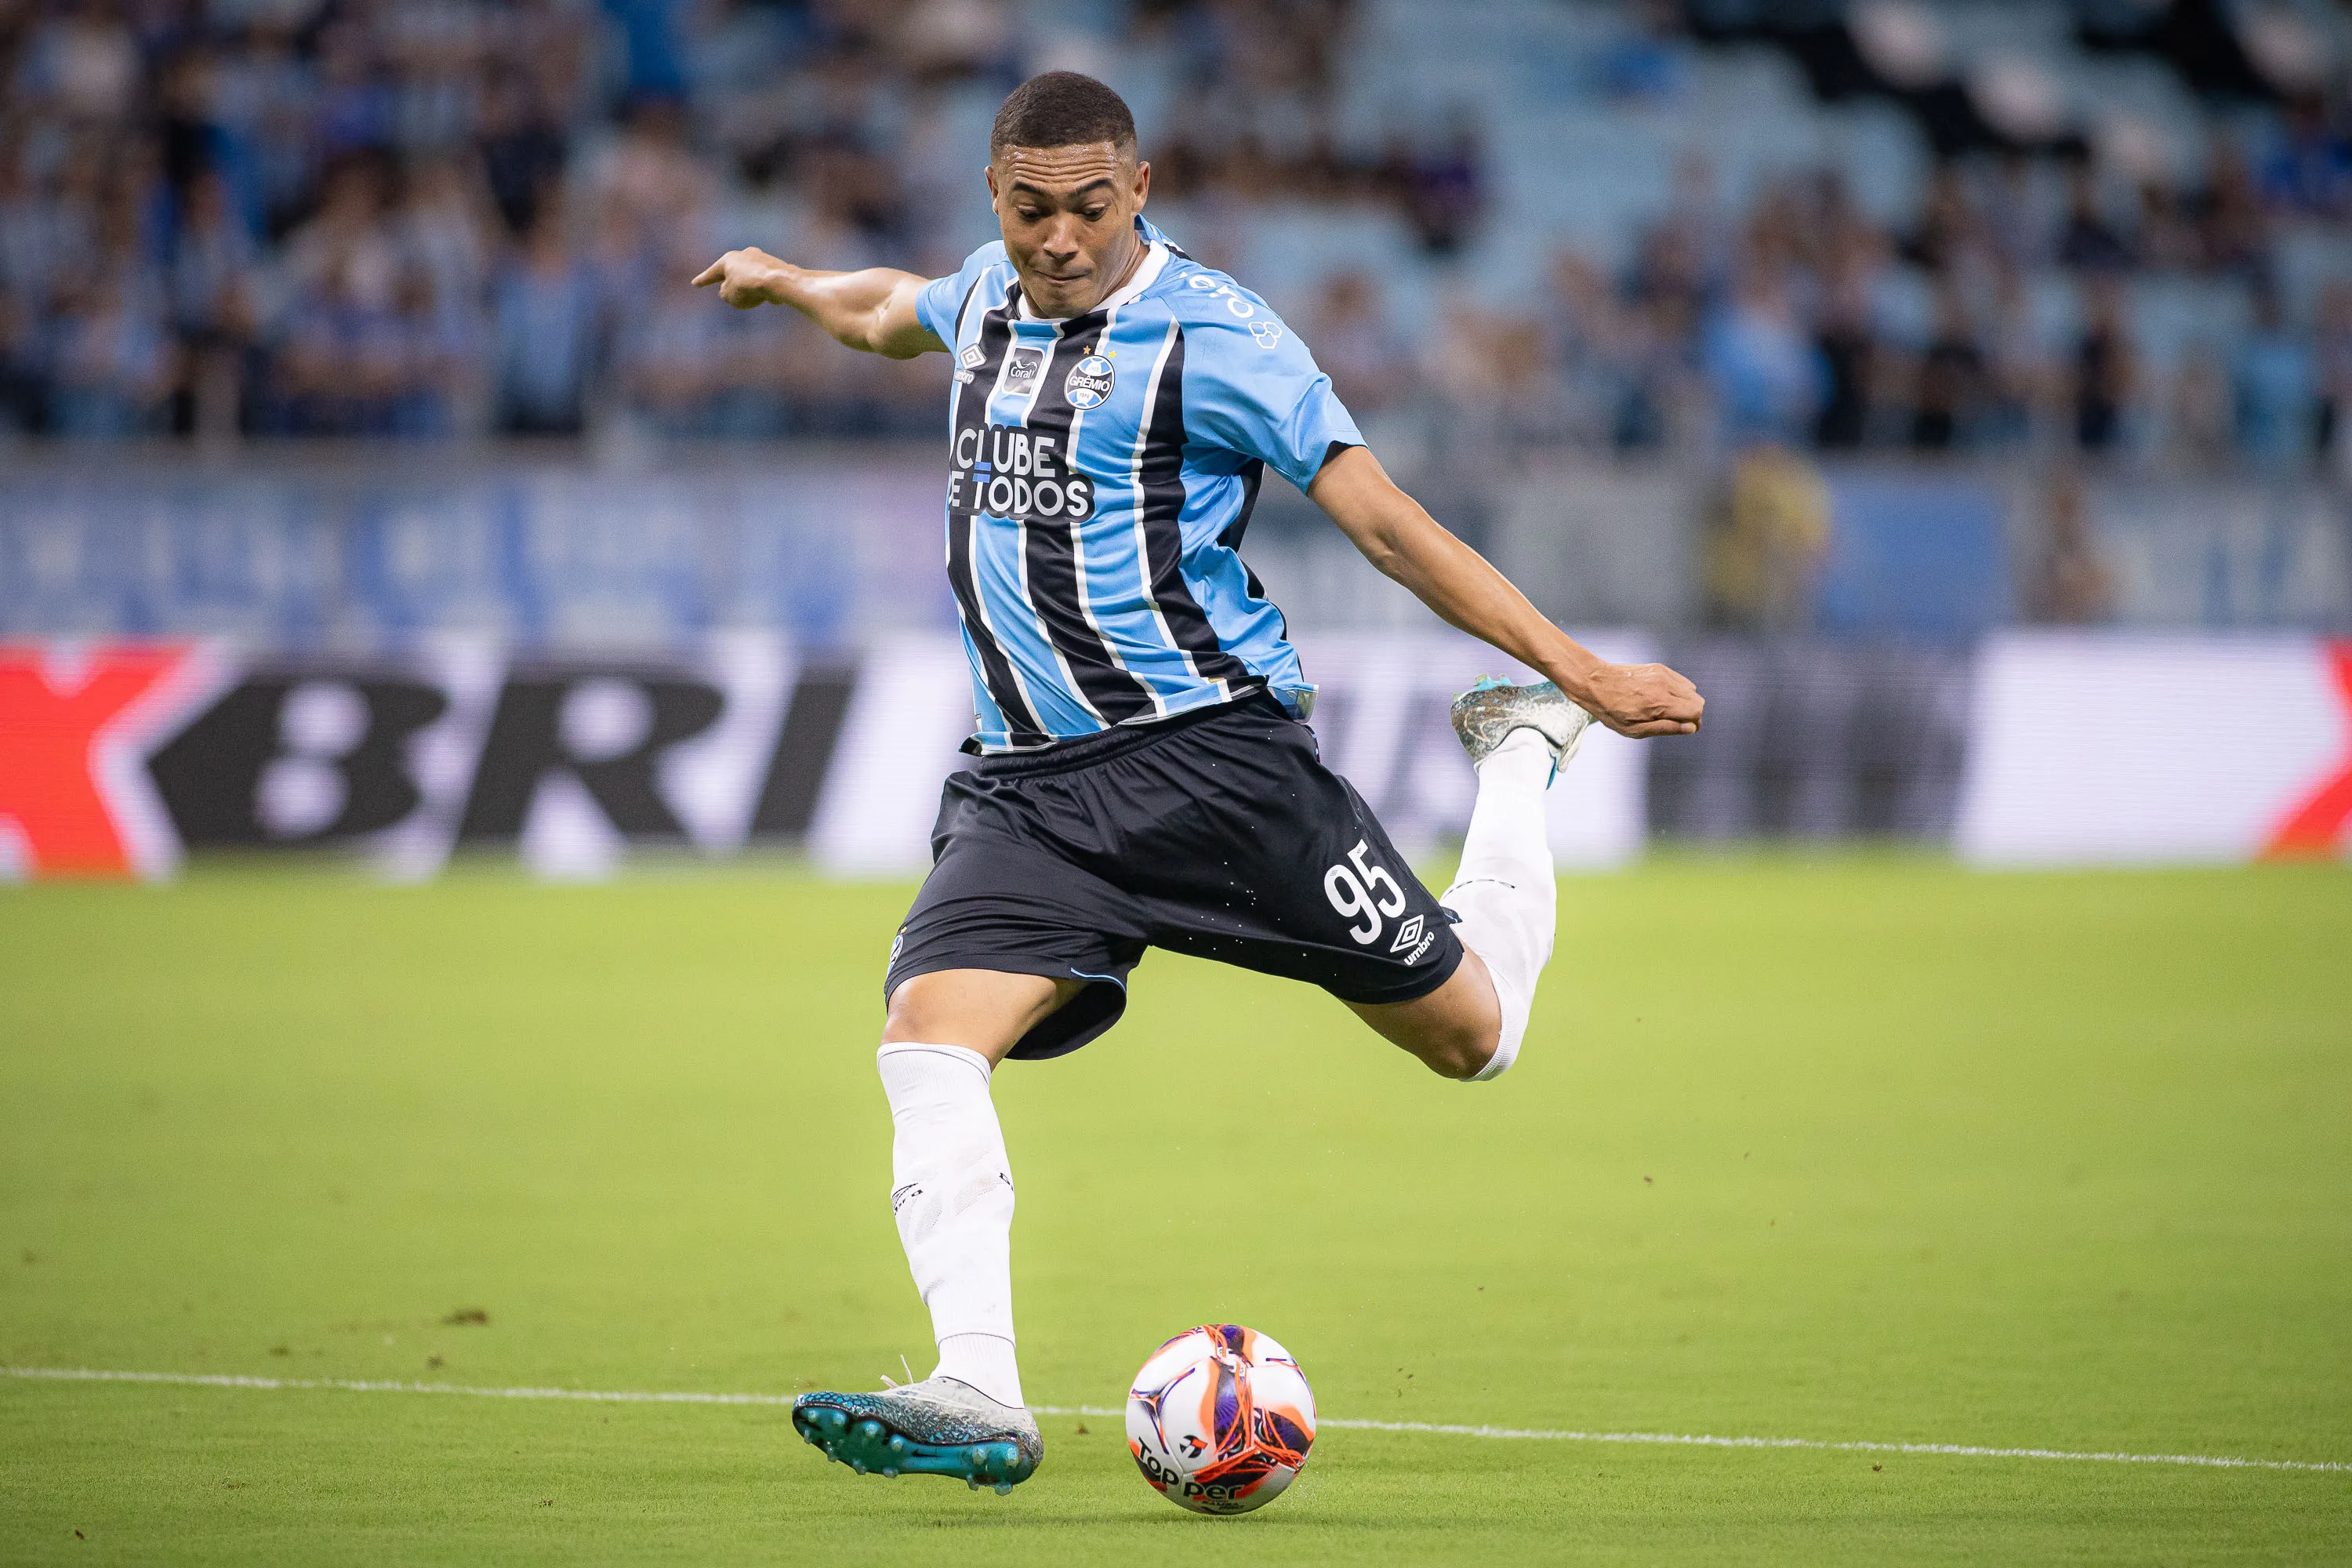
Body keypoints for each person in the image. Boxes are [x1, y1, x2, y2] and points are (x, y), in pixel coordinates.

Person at [692, 71, 1704, 1494]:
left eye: (1088, 210)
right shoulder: (983, 293)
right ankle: (981, 1384)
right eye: (1031, 209)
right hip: (1029, 792)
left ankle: (1524, 747)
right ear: (996, 196)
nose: (1058, 240)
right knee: (926, 1038)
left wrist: (1577, 668)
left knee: (1474, 1036)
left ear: (1140, 190)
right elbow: (884, 309)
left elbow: (1391, 527)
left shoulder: (1219, 338)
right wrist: (785, 279)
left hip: (1211, 769)